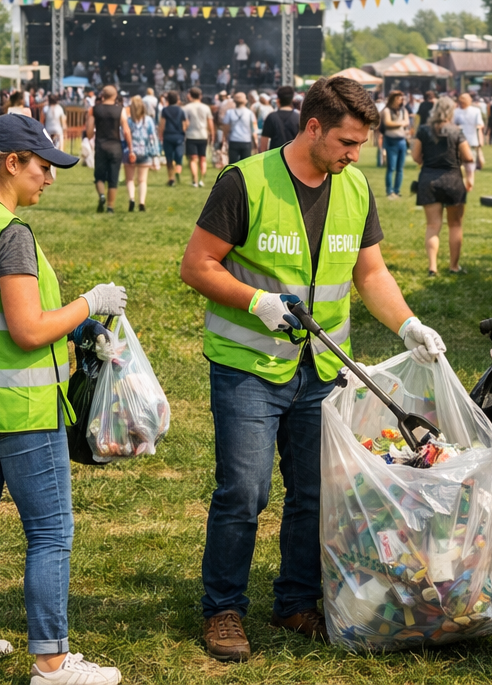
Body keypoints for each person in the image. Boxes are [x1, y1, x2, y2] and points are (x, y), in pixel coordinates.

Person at [179, 76, 449, 662]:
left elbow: (369, 273)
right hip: (249, 365)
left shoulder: (352, 187)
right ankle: (223, 609)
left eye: (361, 146)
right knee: (244, 492)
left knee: (314, 493)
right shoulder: (244, 182)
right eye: (347, 142)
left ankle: (296, 602)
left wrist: (407, 324)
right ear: (312, 128)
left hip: (321, 369)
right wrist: (257, 302)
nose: (356, 156)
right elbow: (197, 265)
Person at [0, 114, 128, 684]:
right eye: (43, 167)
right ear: (12, 164)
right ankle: (53, 663)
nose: (49, 178)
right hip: (18, 409)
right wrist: (91, 304)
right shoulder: (9, 232)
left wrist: (74, 329)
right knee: (50, 532)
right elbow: (26, 329)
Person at [411, 96, 474, 276]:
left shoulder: (423, 130)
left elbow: (416, 156)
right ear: (451, 111)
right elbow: (468, 156)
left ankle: (433, 268)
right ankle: (454, 267)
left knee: (432, 226)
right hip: (453, 179)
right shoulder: (456, 131)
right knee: (455, 225)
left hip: (428, 179)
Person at [90, 85, 126, 214]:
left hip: (100, 145)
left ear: (102, 95)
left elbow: (89, 131)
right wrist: (131, 147)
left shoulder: (94, 110)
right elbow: (126, 130)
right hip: (115, 146)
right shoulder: (121, 110)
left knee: (99, 176)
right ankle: (110, 207)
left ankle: (101, 195)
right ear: (115, 96)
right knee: (113, 177)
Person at [122, 96, 159, 213]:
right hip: (145, 152)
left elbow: (123, 136)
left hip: (130, 152)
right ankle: (142, 202)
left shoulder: (128, 121)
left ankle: (132, 198)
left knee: (130, 179)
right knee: (142, 180)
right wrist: (155, 156)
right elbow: (152, 138)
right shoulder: (148, 120)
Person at [379, 90, 410, 198]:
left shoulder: (403, 110)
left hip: (402, 140)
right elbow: (388, 123)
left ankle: (396, 191)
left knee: (400, 169)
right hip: (391, 140)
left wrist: (397, 124)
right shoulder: (386, 110)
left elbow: (407, 122)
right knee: (391, 168)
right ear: (393, 99)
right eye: (399, 98)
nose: (402, 100)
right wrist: (400, 123)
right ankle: (389, 191)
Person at [451, 92, 485, 190]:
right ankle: (462, 183)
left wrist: (479, 137)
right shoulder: (456, 111)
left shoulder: (475, 111)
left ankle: (469, 183)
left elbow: (480, 125)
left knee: (469, 164)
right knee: (459, 164)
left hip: (471, 140)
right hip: (458, 140)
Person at [182, 87, 215, 188]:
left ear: (190, 95)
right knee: (203, 159)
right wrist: (212, 134)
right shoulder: (206, 108)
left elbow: (185, 124)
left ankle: (194, 180)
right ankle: (202, 180)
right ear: (200, 96)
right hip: (203, 135)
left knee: (193, 159)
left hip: (191, 135)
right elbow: (210, 123)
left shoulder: (186, 108)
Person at [258, 85, 300, 152]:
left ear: (278, 100)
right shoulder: (298, 118)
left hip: (274, 158)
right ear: (292, 100)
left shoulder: (271, 117)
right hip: (293, 158)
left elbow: (263, 144)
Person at [159, 91, 187, 187]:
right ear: (177, 100)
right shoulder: (181, 110)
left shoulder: (165, 110)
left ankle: (171, 178)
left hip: (168, 136)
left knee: (169, 158)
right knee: (179, 156)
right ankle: (178, 171)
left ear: (168, 100)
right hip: (179, 136)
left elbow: (162, 124)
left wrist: (160, 135)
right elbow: (184, 125)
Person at [221, 91, 258, 166]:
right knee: (245, 164)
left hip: (233, 140)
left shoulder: (229, 113)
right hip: (246, 141)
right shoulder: (250, 113)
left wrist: (224, 140)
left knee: (232, 164)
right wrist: (255, 142)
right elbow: (253, 130)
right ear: (245, 101)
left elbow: (226, 129)